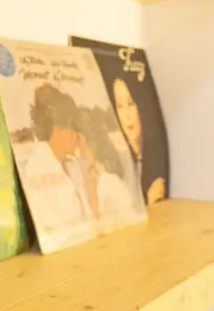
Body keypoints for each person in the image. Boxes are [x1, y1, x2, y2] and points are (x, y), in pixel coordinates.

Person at [22, 84, 95, 239]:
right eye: (73, 127)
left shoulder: (72, 164)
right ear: (57, 128)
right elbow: (54, 231)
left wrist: (90, 165)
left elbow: (90, 216)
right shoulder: (36, 168)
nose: (78, 135)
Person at [112, 78, 166, 205]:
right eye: (120, 106)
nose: (127, 115)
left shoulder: (156, 158)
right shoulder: (115, 161)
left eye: (131, 103)